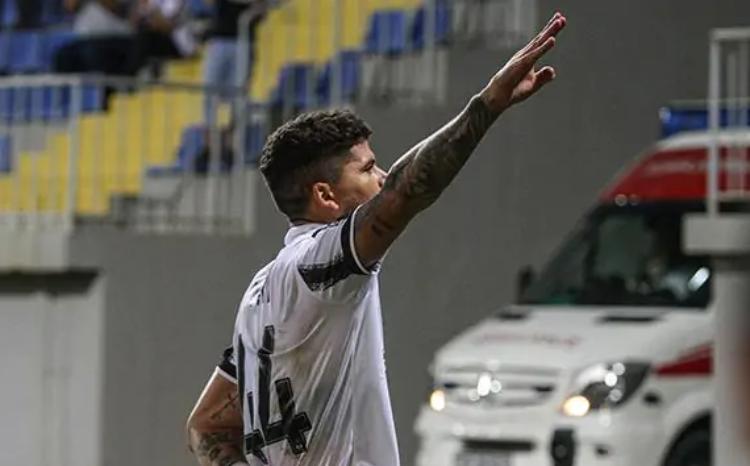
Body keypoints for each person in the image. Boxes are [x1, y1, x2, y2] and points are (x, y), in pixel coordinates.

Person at [186, 12, 567, 466]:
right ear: (325, 195)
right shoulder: (317, 267)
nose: (381, 177)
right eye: (367, 169)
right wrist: (486, 106)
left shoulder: (259, 293)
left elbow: (207, 426)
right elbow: (405, 192)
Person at [53, 0, 136, 75]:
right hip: (84, 38)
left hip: (116, 36)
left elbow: (120, 9)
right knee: (63, 56)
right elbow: (70, 7)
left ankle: (109, 85)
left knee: (92, 53)